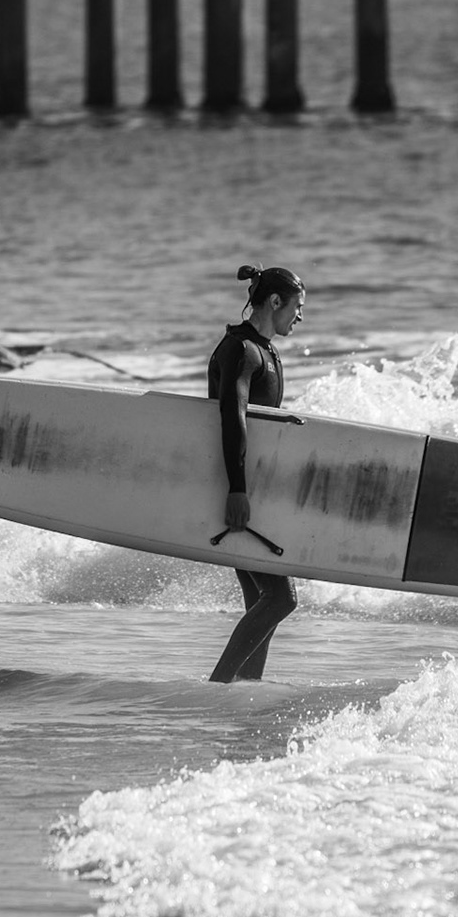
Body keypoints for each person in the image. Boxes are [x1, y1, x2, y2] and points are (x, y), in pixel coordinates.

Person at [207, 264, 306, 683]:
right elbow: (233, 419)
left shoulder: (263, 349)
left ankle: (243, 694)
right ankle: (218, 687)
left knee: (263, 601)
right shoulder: (242, 349)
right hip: (238, 490)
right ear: (275, 301)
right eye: (297, 307)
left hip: (251, 491)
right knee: (282, 599)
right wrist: (237, 490)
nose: (300, 317)